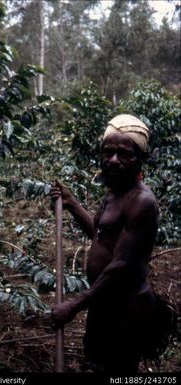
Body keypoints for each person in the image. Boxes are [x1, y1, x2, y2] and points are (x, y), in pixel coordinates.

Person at [50, 114, 175, 373]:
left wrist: (73, 306)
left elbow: (120, 266)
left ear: (139, 157)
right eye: (108, 152)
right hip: (103, 301)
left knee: (118, 368)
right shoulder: (115, 192)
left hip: (126, 308)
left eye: (123, 154)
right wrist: (72, 203)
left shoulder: (141, 201)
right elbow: (100, 235)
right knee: (94, 362)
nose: (114, 160)